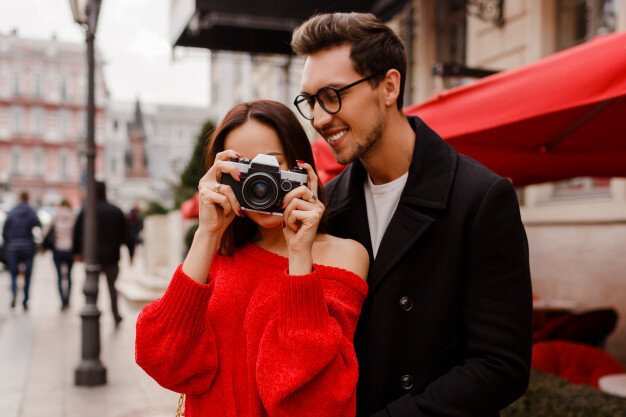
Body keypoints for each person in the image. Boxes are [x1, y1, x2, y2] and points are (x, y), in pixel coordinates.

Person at [291, 13, 533, 417]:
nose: (318, 118)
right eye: (310, 101)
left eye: (333, 95)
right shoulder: (325, 205)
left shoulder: (481, 197)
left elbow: (501, 367)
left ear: (389, 86)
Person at [135, 100, 369, 417]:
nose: (261, 183)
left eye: (272, 166)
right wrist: (207, 232)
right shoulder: (219, 251)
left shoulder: (344, 256)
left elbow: (316, 404)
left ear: (302, 170)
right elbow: (164, 361)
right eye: (245, 170)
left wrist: (300, 258)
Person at [73, 181, 135, 326]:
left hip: (92, 257)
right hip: (112, 256)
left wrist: (77, 252)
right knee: (112, 288)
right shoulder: (115, 210)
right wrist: (131, 254)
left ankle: (92, 311)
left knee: (91, 287)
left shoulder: (87, 210)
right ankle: (115, 314)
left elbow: (77, 233)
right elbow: (127, 235)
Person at [2, 192, 41, 310]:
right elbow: (38, 226)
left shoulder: (12, 212)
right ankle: (25, 299)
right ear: (28, 199)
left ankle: (14, 294)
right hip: (28, 246)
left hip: (13, 247)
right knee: (28, 275)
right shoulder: (31, 211)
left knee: (13, 274)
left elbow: (5, 231)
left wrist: (8, 242)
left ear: (19, 199)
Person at [49, 199, 76, 310]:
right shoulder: (73, 216)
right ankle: (68, 298)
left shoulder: (56, 216)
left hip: (58, 249)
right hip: (70, 249)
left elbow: (47, 231)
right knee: (69, 275)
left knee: (59, 276)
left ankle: (62, 301)